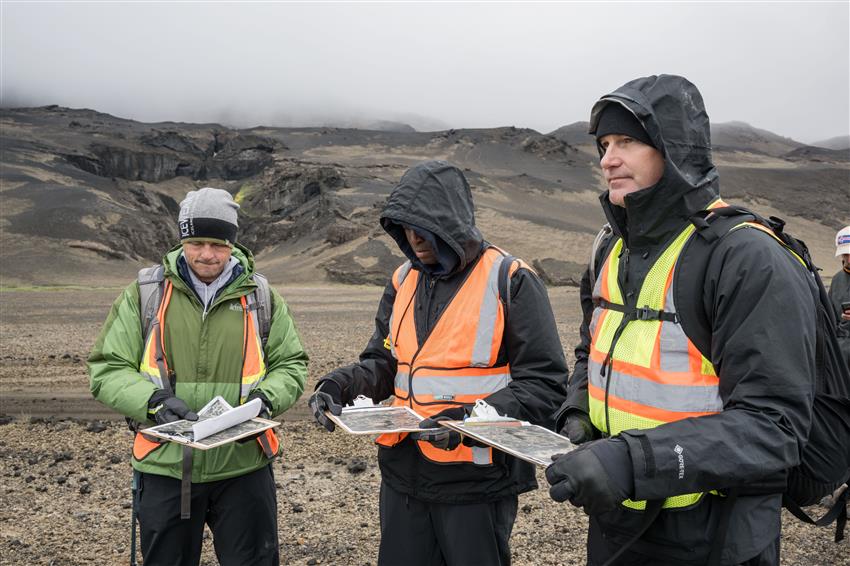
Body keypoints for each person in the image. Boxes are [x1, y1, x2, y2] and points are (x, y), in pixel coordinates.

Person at [546, 75, 816, 565]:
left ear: (674, 149)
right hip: (619, 519)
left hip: (713, 532)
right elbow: (595, 349)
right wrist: (578, 413)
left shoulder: (745, 256)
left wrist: (630, 461)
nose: (607, 159)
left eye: (627, 141)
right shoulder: (610, 246)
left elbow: (774, 427)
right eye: (604, 144)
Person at [308, 160, 567, 566]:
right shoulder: (402, 280)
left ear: (450, 221)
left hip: (476, 482)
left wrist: (464, 422)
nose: (414, 236)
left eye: (423, 225)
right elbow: (384, 361)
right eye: (405, 226)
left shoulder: (510, 278)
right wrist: (336, 385)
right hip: (403, 475)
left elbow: (544, 385)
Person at [88, 187, 308, 566]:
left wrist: (266, 400)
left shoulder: (260, 297)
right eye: (197, 242)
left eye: (218, 244)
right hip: (165, 465)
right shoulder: (145, 294)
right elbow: (108, 368)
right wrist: (153, 403)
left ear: (232, 243)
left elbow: (291, 364)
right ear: (183, 240)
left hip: (244, 466)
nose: (207, 254)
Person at [828, 225, 850, 369]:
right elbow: (830, 319)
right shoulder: (837, 280)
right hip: (841, 360)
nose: (848, 258)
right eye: (845, 254)